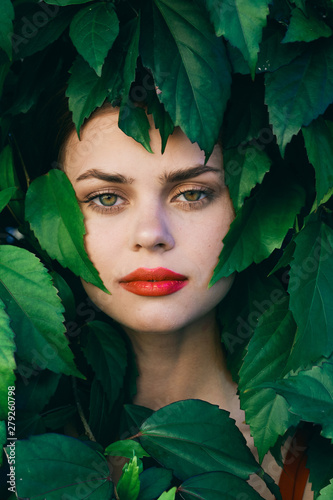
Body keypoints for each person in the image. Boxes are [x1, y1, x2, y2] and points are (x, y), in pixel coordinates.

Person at [58, 103, 313, 500]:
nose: (151, 234)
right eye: (106, 198)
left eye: (192, 193)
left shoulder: (315, 443)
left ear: (251, 206)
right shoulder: (18, 439)